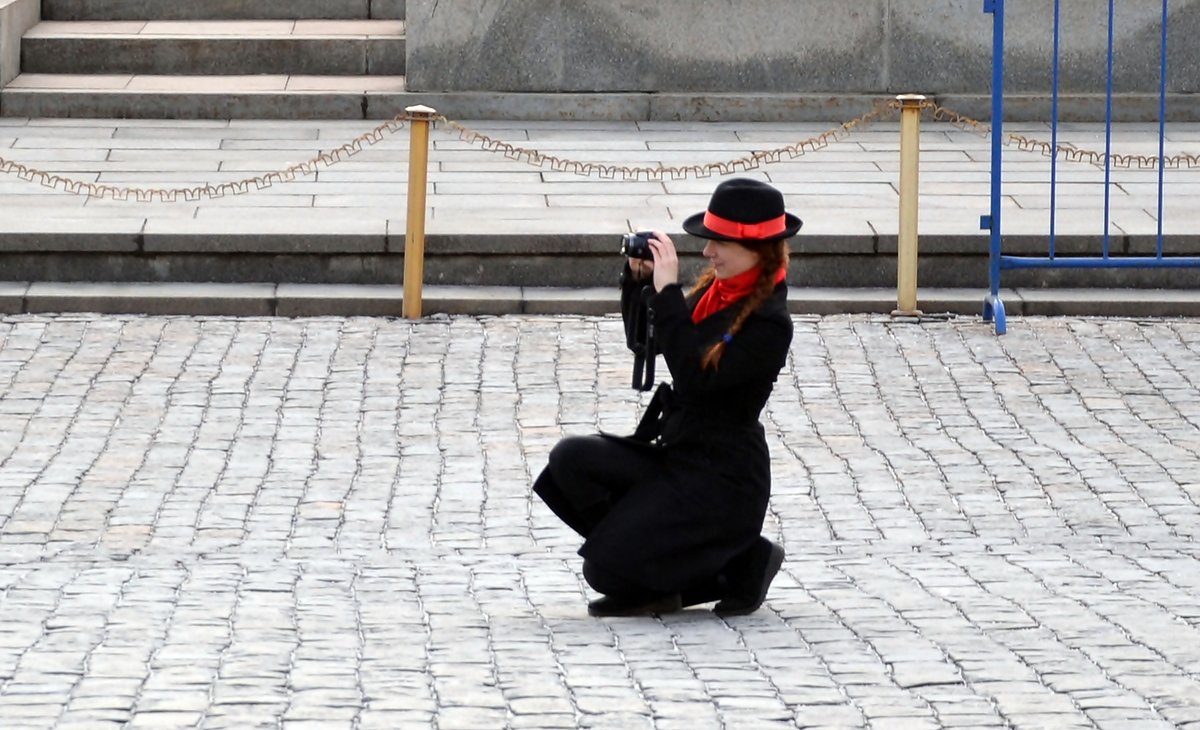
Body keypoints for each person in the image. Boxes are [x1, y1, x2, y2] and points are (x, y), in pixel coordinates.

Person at [533, 178, 799, 618]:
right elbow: (647, 342)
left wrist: (670, 293)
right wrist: (639, 285)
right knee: (569, 462)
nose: (708, 251)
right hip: (677, 454)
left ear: (758, 250)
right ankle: (650, 558)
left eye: (719, 242)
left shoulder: (771, 322)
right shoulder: (715, 293)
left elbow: (695, 379)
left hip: (722, 482)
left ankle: (738, 561)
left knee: (604, 572)